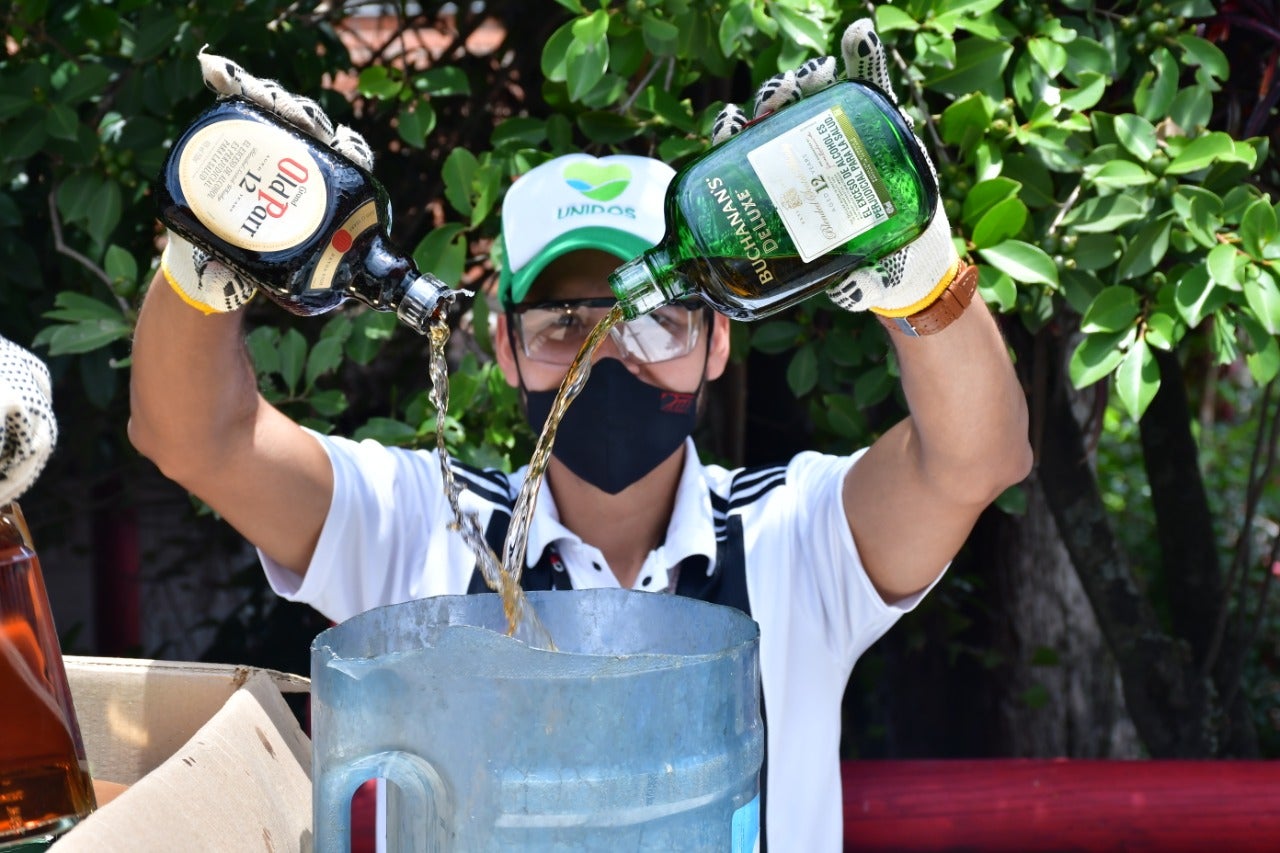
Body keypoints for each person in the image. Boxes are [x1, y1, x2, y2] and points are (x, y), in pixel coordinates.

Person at [128, 18, 1031, 852]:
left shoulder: (793, 537)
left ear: (719, 339)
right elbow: (198, 438)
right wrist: (204, 266)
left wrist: (920, 273)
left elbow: (976, 459)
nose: (608, 350)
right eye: (564, 322)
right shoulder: (423, 528)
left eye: (655, 321)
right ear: (504, 346)